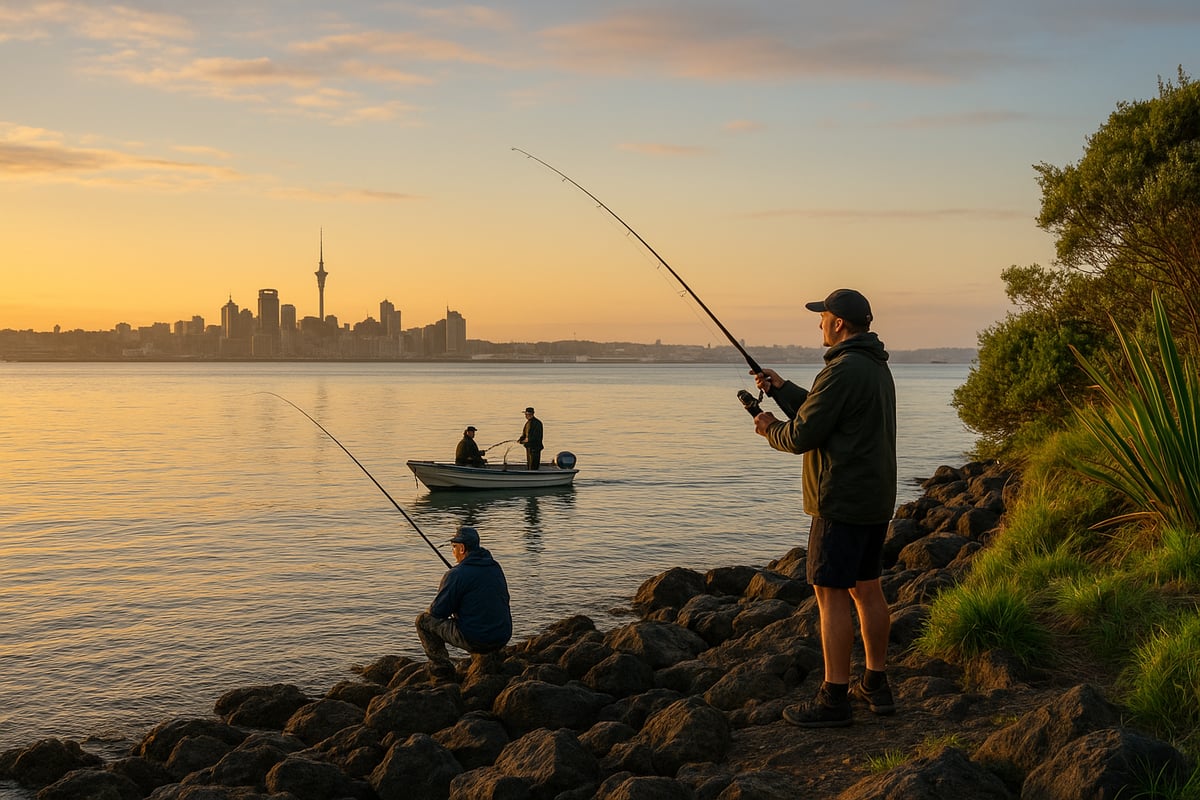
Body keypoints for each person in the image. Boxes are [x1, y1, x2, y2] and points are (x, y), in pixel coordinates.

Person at [749, 288, 897, 728]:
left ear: (839, 324)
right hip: (873, 501)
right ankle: (876, 683)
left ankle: (834, 699)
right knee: (867, 590)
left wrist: (769, 428)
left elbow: (801, 436)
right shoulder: (873, 366)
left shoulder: (841, 370)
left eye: (823, 317)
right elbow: (826, 415)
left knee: (830, 596)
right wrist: (781, 389)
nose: (819, 324)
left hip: (839, 502)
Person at [415, 525, 512, 679]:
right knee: (479, 613)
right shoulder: (494, 566)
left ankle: (441, 671)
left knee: (423, 621)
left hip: (477, 640)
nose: (453, 552)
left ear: (462, 549)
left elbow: (437, 613)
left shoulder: (456, 575)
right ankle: (489, 658)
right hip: (502, 636)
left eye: (453, 547)